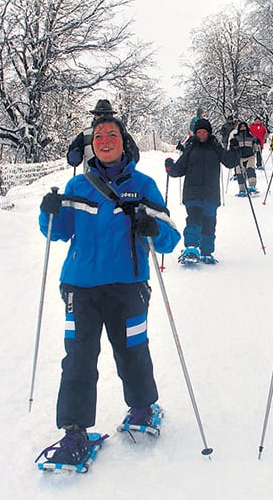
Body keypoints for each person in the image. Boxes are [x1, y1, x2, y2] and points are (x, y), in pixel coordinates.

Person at [37, 115, 181, 465]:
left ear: (123, 141)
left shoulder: (143, 185)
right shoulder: (77, 187)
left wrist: (150, 226)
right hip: (80, 287)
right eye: (98, 135)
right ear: (92, 144)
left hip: (127, 286)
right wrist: (48, 212)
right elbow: (56, 231)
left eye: (111, 134)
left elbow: (169, 238)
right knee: (79, 358)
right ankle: (74, 431)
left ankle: (143, 408)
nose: (104, 140)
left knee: (132, 350)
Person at [164, 118, 240, 264]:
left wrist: (235, 151)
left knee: (209, 222)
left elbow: (230, 162)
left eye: (204, 131)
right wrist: (170, 168)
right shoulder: (191, 148)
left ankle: (206, 251)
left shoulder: (215, 147)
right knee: (194, 218)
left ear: (209, 132)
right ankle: (191, 247)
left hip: (211, 193)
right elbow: (179, 169)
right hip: (193, 192)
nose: (201, 134)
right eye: (199, 132)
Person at [67, 99, 140, 171]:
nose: (102, 116)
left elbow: (135, 157)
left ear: (111, 115)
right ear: (94, 116)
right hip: (92, 180)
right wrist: (73, 156)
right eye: (99, 114)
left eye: (106, 114)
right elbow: (73, 161)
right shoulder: (85, 134)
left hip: (118, 179)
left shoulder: (121, 133)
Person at [228, 121, 261, 197]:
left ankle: (252, 185)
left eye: (244, 126)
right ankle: (242, 189)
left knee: (250, 169)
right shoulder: (236, 137)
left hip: (250, 156)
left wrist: (257, 142)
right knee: (239, 173)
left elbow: (256, 145)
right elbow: (232, 147)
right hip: (239, 157)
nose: (243, 128)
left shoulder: (251, 137)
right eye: (241, 126)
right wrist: (232, 145)